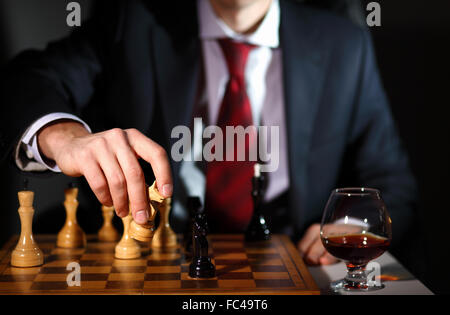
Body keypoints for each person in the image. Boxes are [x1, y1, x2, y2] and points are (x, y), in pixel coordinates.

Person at [0, 0, 417, 265]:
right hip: (155, 256)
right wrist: (61, 134)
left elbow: (392, 183)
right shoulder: (130, 18)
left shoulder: (345, 45)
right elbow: (28, 79)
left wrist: (348, 224)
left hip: (294, 257)